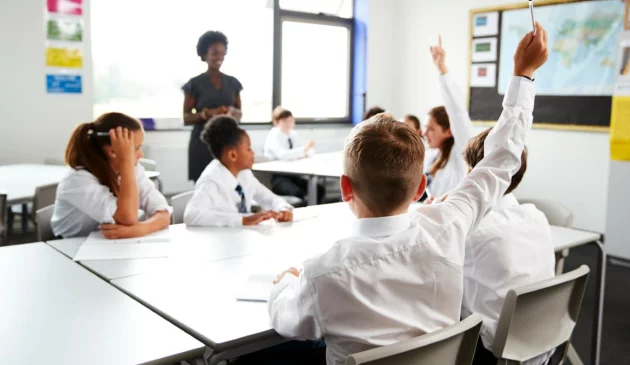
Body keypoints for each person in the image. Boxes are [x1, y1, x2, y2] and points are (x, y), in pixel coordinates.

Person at [267, 22, 548, 365]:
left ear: (345, 188)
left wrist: (283, 284)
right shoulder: (448, 226)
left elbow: (284, 320)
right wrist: (524, 74)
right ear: (419, 188)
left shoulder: (321, 274)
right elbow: (503, 158)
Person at [458, 128, 556, 365]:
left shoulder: (471, 230)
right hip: (544, 341)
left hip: (492, 353)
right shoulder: (536, 216)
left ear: (475, 174)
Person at [51, 113, 172, 239]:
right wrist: (126, 162)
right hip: (70, 247)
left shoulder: (133, 169)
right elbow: (128, 217)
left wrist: (140, 229)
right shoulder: (77, 179)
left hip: (109, 246)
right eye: (136, 148)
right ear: (113, 151)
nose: (141, 155)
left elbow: (163, 213)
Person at [184, 116, 294, 227]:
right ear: (232, 155)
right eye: (248, 148)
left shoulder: (244, 173)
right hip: (221, 239)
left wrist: (283, 209)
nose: (253, 153)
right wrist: (242, 220)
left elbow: (269, 198)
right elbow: (191, 215)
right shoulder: (211, 180)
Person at [183, 30, 243, 182]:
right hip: (203, 143)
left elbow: (240, 113)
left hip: (228, 140)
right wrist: (208, 113)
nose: (220, 57)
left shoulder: (233, 83)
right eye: (215, 53)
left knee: (230, 184)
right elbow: (186, 117)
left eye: (222, 53)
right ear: (204, 54)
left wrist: (231, 112)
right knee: (204, 185)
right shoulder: (194, 84)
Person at [424, 35, 475, 199]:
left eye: (430, 129)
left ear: (448, 131)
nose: (424, 133)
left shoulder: (461, 152)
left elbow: (458, 112)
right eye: (425, 128)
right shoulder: (432, 156)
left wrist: (442, 68)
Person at [264, 107, 326, 204]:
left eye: (291, 121)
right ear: (276, 122)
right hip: (280, 176)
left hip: (295, 175)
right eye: (285, 121)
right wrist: (303, 151)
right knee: (297, 193)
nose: (289, 124)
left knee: (319, 189)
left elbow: (310, 151)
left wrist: (303, 152)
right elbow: (283, 155)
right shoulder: (273, 135)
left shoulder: (293, 134)